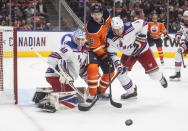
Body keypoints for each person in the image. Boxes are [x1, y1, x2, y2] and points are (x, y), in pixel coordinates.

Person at [107, 17, 168, 99]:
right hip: (128, 54)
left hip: (143, 51)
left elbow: (144, 23)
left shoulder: (131, 27)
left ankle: (161, 78)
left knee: (154, 75)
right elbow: (112, 53)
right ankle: (131, 91)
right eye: (115, 30)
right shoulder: (110, 38)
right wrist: (118, 64)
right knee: (120, 73)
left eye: (120, 29)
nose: (118, 32)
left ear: (122, 26)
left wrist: (142, 37)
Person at [32, 29, 88, 112]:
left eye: (82, 39)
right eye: (78, 39)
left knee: (71, 95)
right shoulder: (69, 48)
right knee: (72, 101)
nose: (80, 42)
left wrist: (87, 78)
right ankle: (48, 101)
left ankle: (41, 93)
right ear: (74, 39)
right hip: (57, 76)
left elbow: (80, 67)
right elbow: (53, 57)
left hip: (66, 79)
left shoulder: (84, 51)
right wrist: (63, 74)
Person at [85, 4, 115, 102]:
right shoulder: (91, 27)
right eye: (94, 14)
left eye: (98, 14)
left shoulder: (105, 15)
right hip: (92, 50)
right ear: (91, 15)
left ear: (102, 13)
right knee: (92, 68)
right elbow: (95, 47)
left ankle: (100, 91)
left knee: (110, 72)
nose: (97, 16)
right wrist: (105, 57)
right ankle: (92, 94)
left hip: (105, 49)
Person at [169, 11, 188, 80]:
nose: (186, 18)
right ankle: (177, 73)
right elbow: (180, 31)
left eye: (187, 17)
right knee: (178, 54)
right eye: (185, 16)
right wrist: (178, 36)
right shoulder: (182, 22)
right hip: (187, 43)